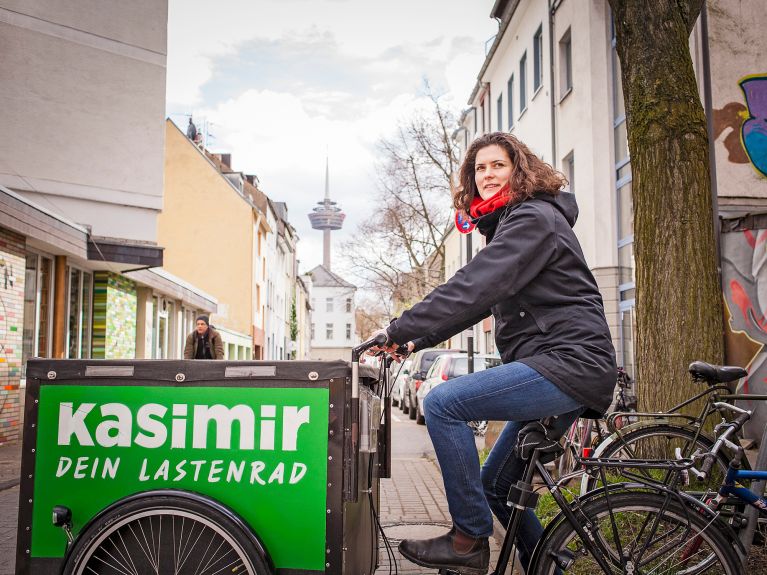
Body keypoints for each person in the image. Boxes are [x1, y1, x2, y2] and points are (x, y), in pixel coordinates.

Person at [374, 132, 616, 574]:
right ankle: (549, 566)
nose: (487, 175)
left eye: (497, 166)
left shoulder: (533, 218)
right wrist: (412, 342)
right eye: (479, 169)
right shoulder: (513, 224)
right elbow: (483, 300)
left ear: (518, 169)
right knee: (496, 486)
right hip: (556, 364)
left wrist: (399, 325)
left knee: (443, 402)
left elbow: (475, 286)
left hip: (568, 363)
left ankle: (467, 541)